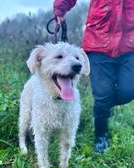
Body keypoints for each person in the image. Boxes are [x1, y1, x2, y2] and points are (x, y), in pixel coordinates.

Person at [53, 0, 134, 153]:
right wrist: (60, 9)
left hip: (129, 46)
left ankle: (104, 106)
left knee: (129, 89)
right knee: (103, 94)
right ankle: (101, 135)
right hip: (98, 45)